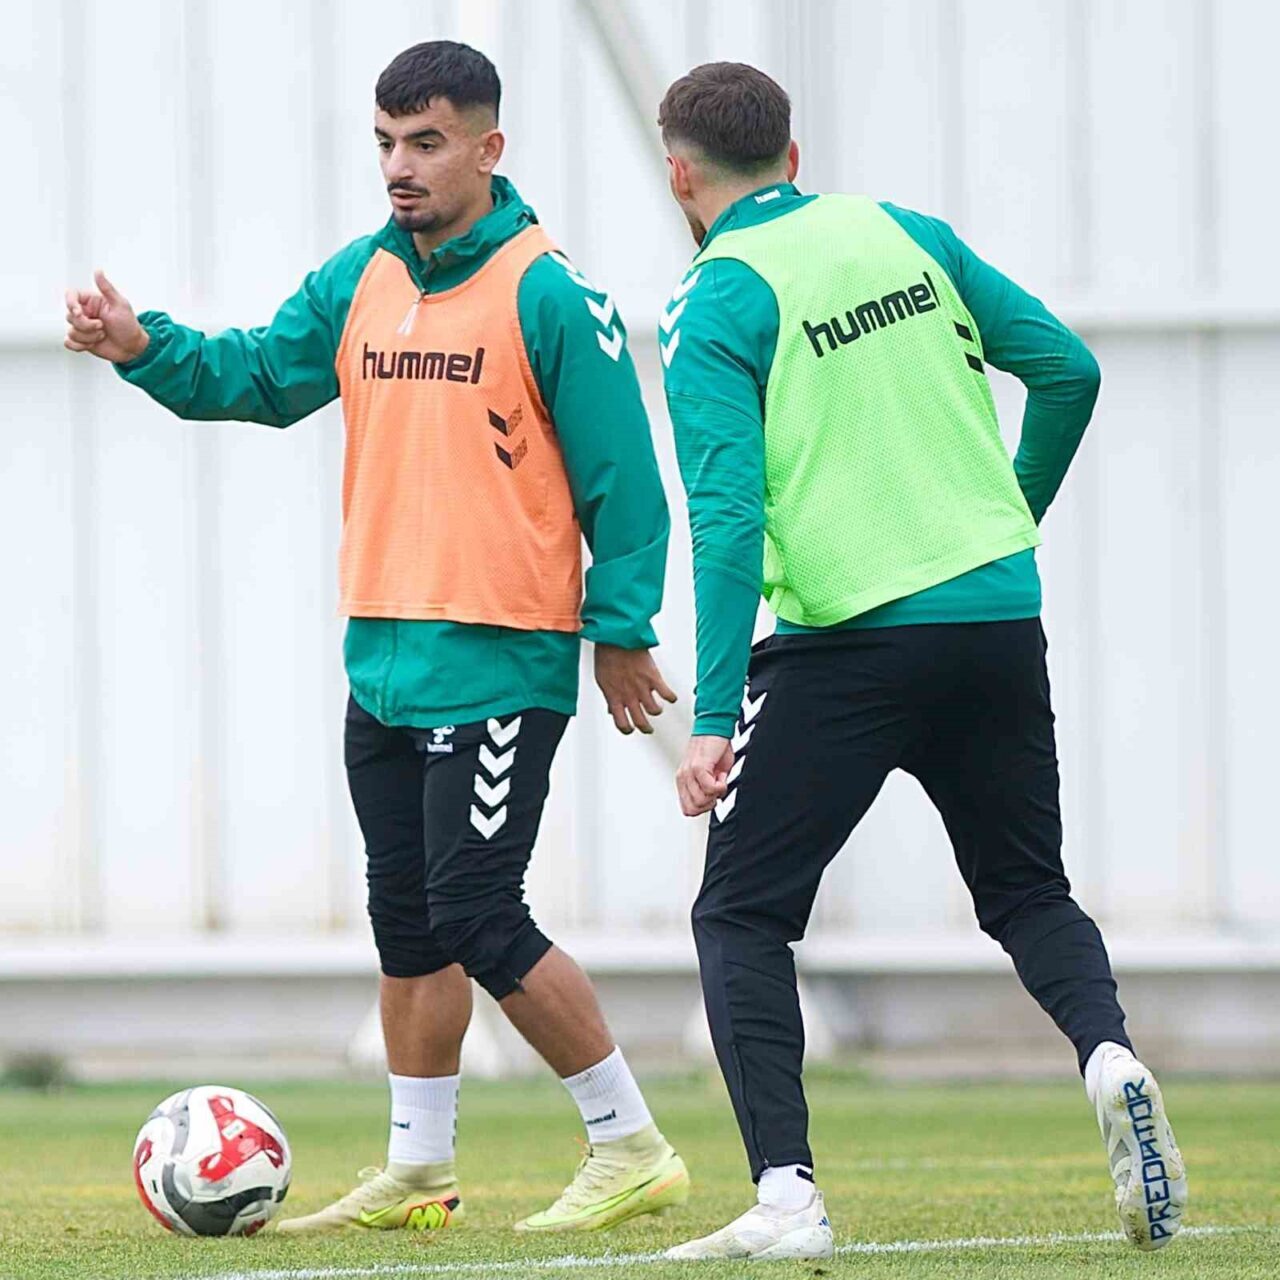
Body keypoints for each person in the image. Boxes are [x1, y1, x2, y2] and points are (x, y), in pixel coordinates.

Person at [64, 39, 689, 1236]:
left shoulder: (551, 292)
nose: (400, 166)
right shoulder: (362, 276)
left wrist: (619, 630)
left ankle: (629, 1142)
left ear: (488, 149)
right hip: (383, 660)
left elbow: (625, 481)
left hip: (498, 656)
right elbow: (260, 374)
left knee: (478, 912)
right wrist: (145, 348)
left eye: (427, 142)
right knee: (408, 924)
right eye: (387, 143)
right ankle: (418, 1165)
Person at [655, 62, 1186, 1261]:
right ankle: (1107, 1053)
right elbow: (1067, 368)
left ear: (680, 176)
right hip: (993, 617)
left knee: (739, 912)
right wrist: (1003, 521)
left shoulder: (712, 299)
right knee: (1027, 891)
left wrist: (713, 711)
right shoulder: (906, 232)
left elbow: (726, 518)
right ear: (792, 157)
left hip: (845, 645)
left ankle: (786, 1196)